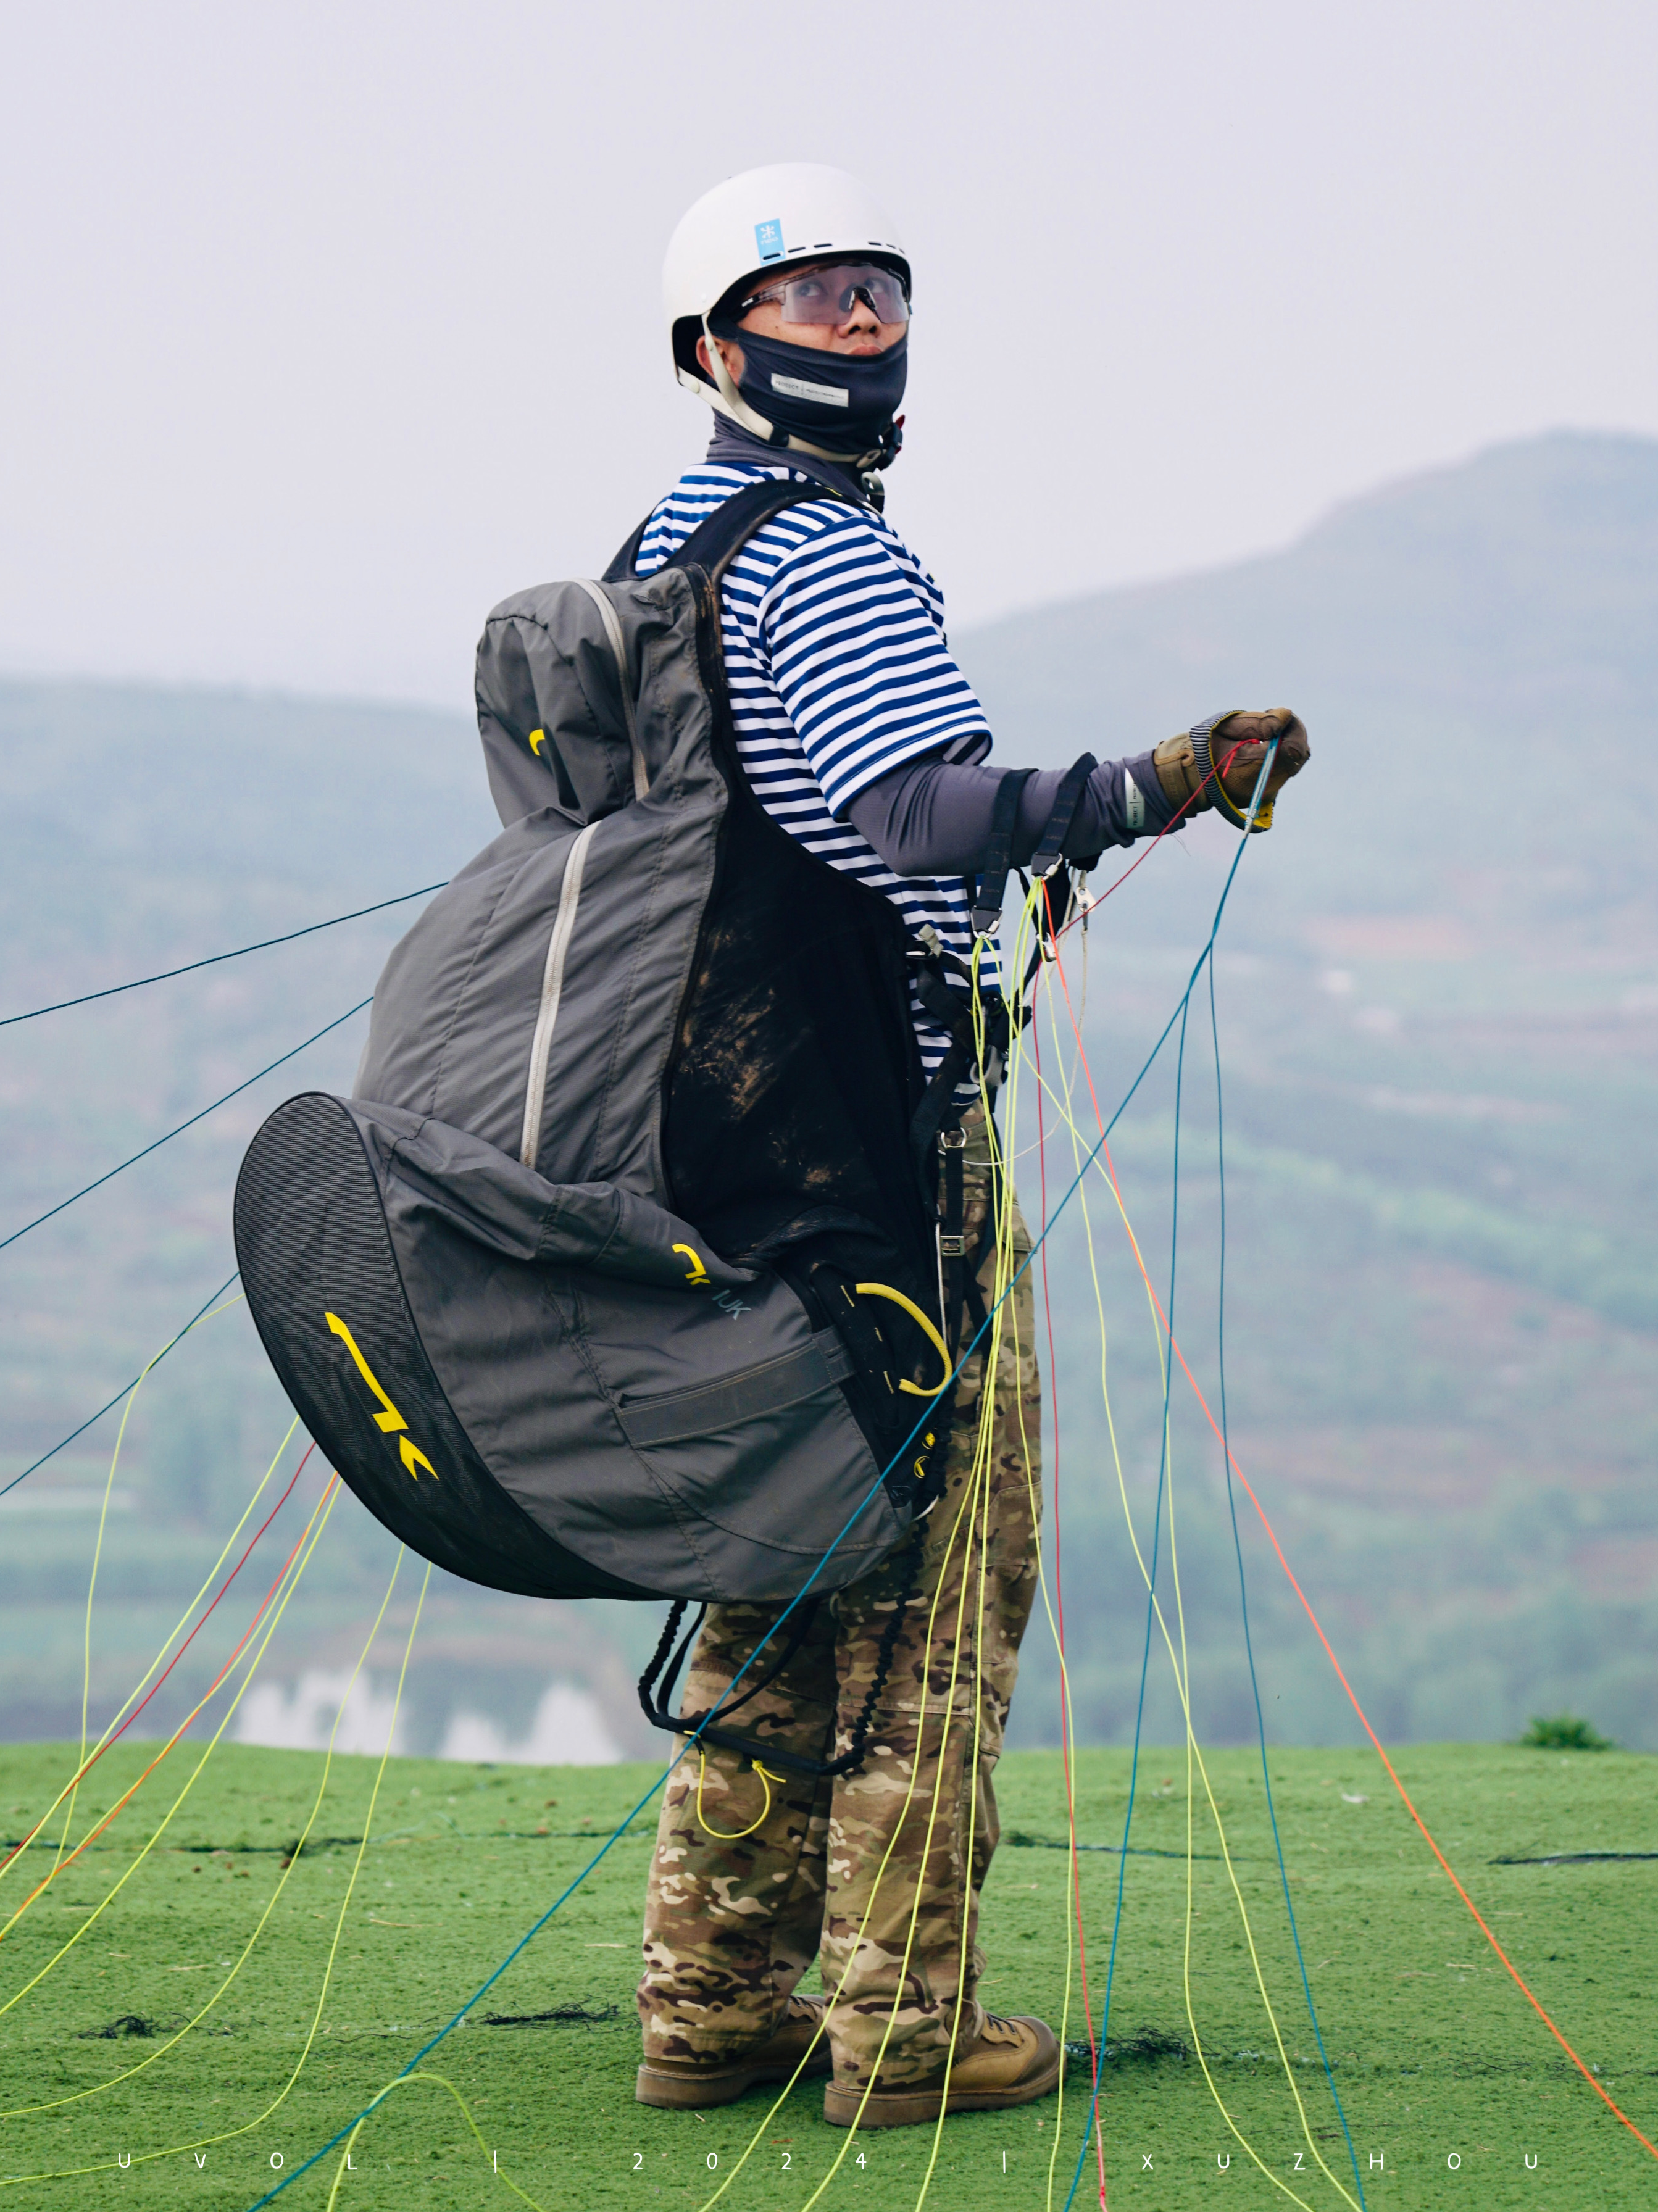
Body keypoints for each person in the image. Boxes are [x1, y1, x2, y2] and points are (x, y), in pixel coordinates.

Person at [631, 162, 1309, 2129]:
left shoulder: (665, 544)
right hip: (869, 1141)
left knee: (779, 1544)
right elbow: (918, 812)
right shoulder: (824, 549)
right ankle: (905, 2032)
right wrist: (1160, 783)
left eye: (876, 290)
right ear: (714, 344)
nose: (857, 321)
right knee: (940, 1568)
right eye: (810, 296)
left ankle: (711, 2002)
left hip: (710, 1136)